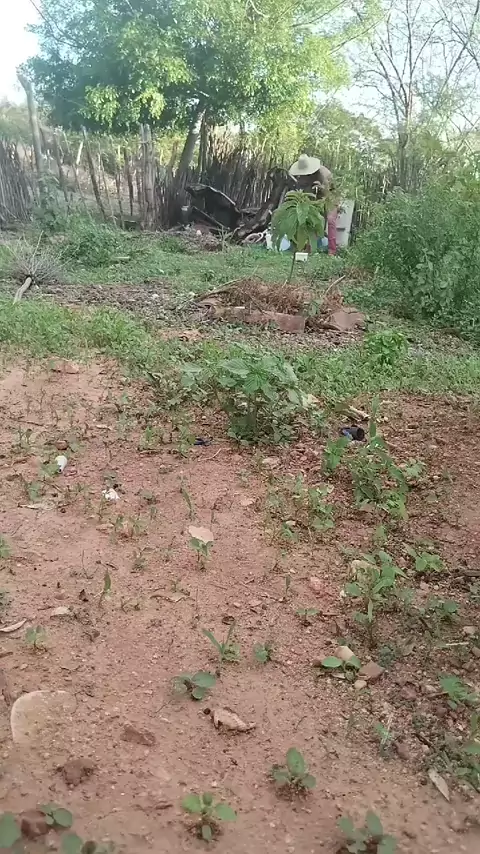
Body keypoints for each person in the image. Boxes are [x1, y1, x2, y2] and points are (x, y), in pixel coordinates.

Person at [288, 154, 338, 255]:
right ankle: (309, 248)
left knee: (330, 220)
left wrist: (321, 188)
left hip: (331, 196)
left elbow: (328, 194)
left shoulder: (324, 174)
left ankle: (332, 251)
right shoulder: (303, 176)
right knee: (312, 219)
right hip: (316, 198)